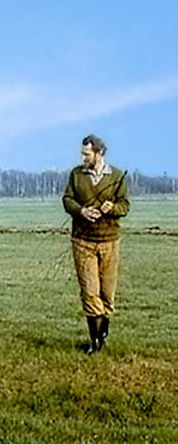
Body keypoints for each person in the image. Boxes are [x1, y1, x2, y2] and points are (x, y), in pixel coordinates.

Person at [63, 135, 129, 354]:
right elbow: (67, 200)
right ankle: (95, 343)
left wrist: (112, 208)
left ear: (99, 153)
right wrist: (81, 211)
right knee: (90, 292)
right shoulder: (76, 175)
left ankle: (102, 336)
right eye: (82, 153)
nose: (82, 158)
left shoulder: (117, 177)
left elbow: (125, 206)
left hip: (110, 242)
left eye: (86, 154)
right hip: (82, 241)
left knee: (107, 294)